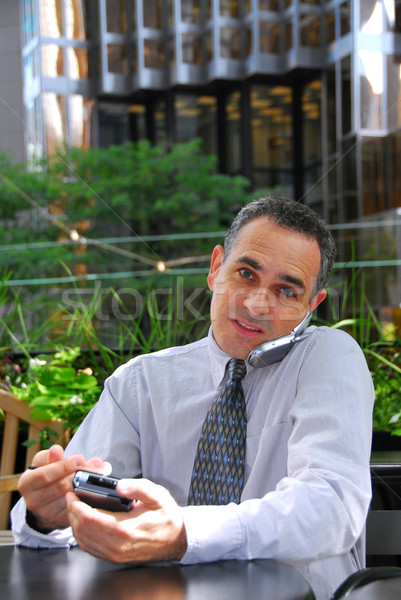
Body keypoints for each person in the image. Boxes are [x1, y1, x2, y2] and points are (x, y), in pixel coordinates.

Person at [11, 196, 374, 600]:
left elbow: (332, 507)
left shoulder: (327, 355)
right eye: (246, 274)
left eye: (287, 291)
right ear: (215, 268)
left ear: (312, 305)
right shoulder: (140, 383)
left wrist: (184, 533)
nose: (257, 305)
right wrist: (46, 515)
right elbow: (65, 517)